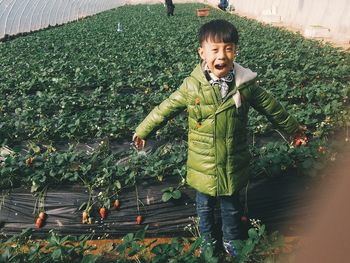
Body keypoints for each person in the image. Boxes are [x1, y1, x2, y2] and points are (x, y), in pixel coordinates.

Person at [132, 19, 306, 256]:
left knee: (231, 206)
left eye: (228, 48)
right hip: (202, 163)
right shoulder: (192, 86)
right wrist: (143, 130)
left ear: (235, 51)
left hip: (232, 161)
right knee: (204, 206)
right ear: (202, 53)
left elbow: (272, 107)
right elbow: (166, 107)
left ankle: (231, 240)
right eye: (214, 50)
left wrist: (294, 129)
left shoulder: (245, 84)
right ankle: (207, 240)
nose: (221, 55)